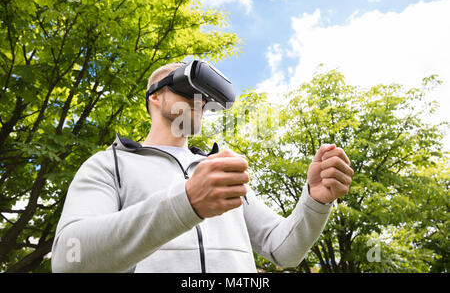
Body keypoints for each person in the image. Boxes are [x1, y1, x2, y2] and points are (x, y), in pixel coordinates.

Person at [51, 62, 354, 272]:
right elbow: (68, 258)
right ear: (155, 96)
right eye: (187, 89)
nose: (199, 101)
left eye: (205, 97)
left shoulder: (220, 171)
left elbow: (282, 250)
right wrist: (186, 202)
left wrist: (314, 201)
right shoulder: (109, 164)